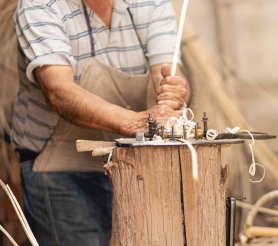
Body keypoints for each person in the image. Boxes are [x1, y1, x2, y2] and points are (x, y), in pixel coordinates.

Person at [11, 0, 190, 245]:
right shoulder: (39, 6)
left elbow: (168, 71)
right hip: (58, 169)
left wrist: (175, 90)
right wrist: (136, 122)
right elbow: (59, 93)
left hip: (133, 164)